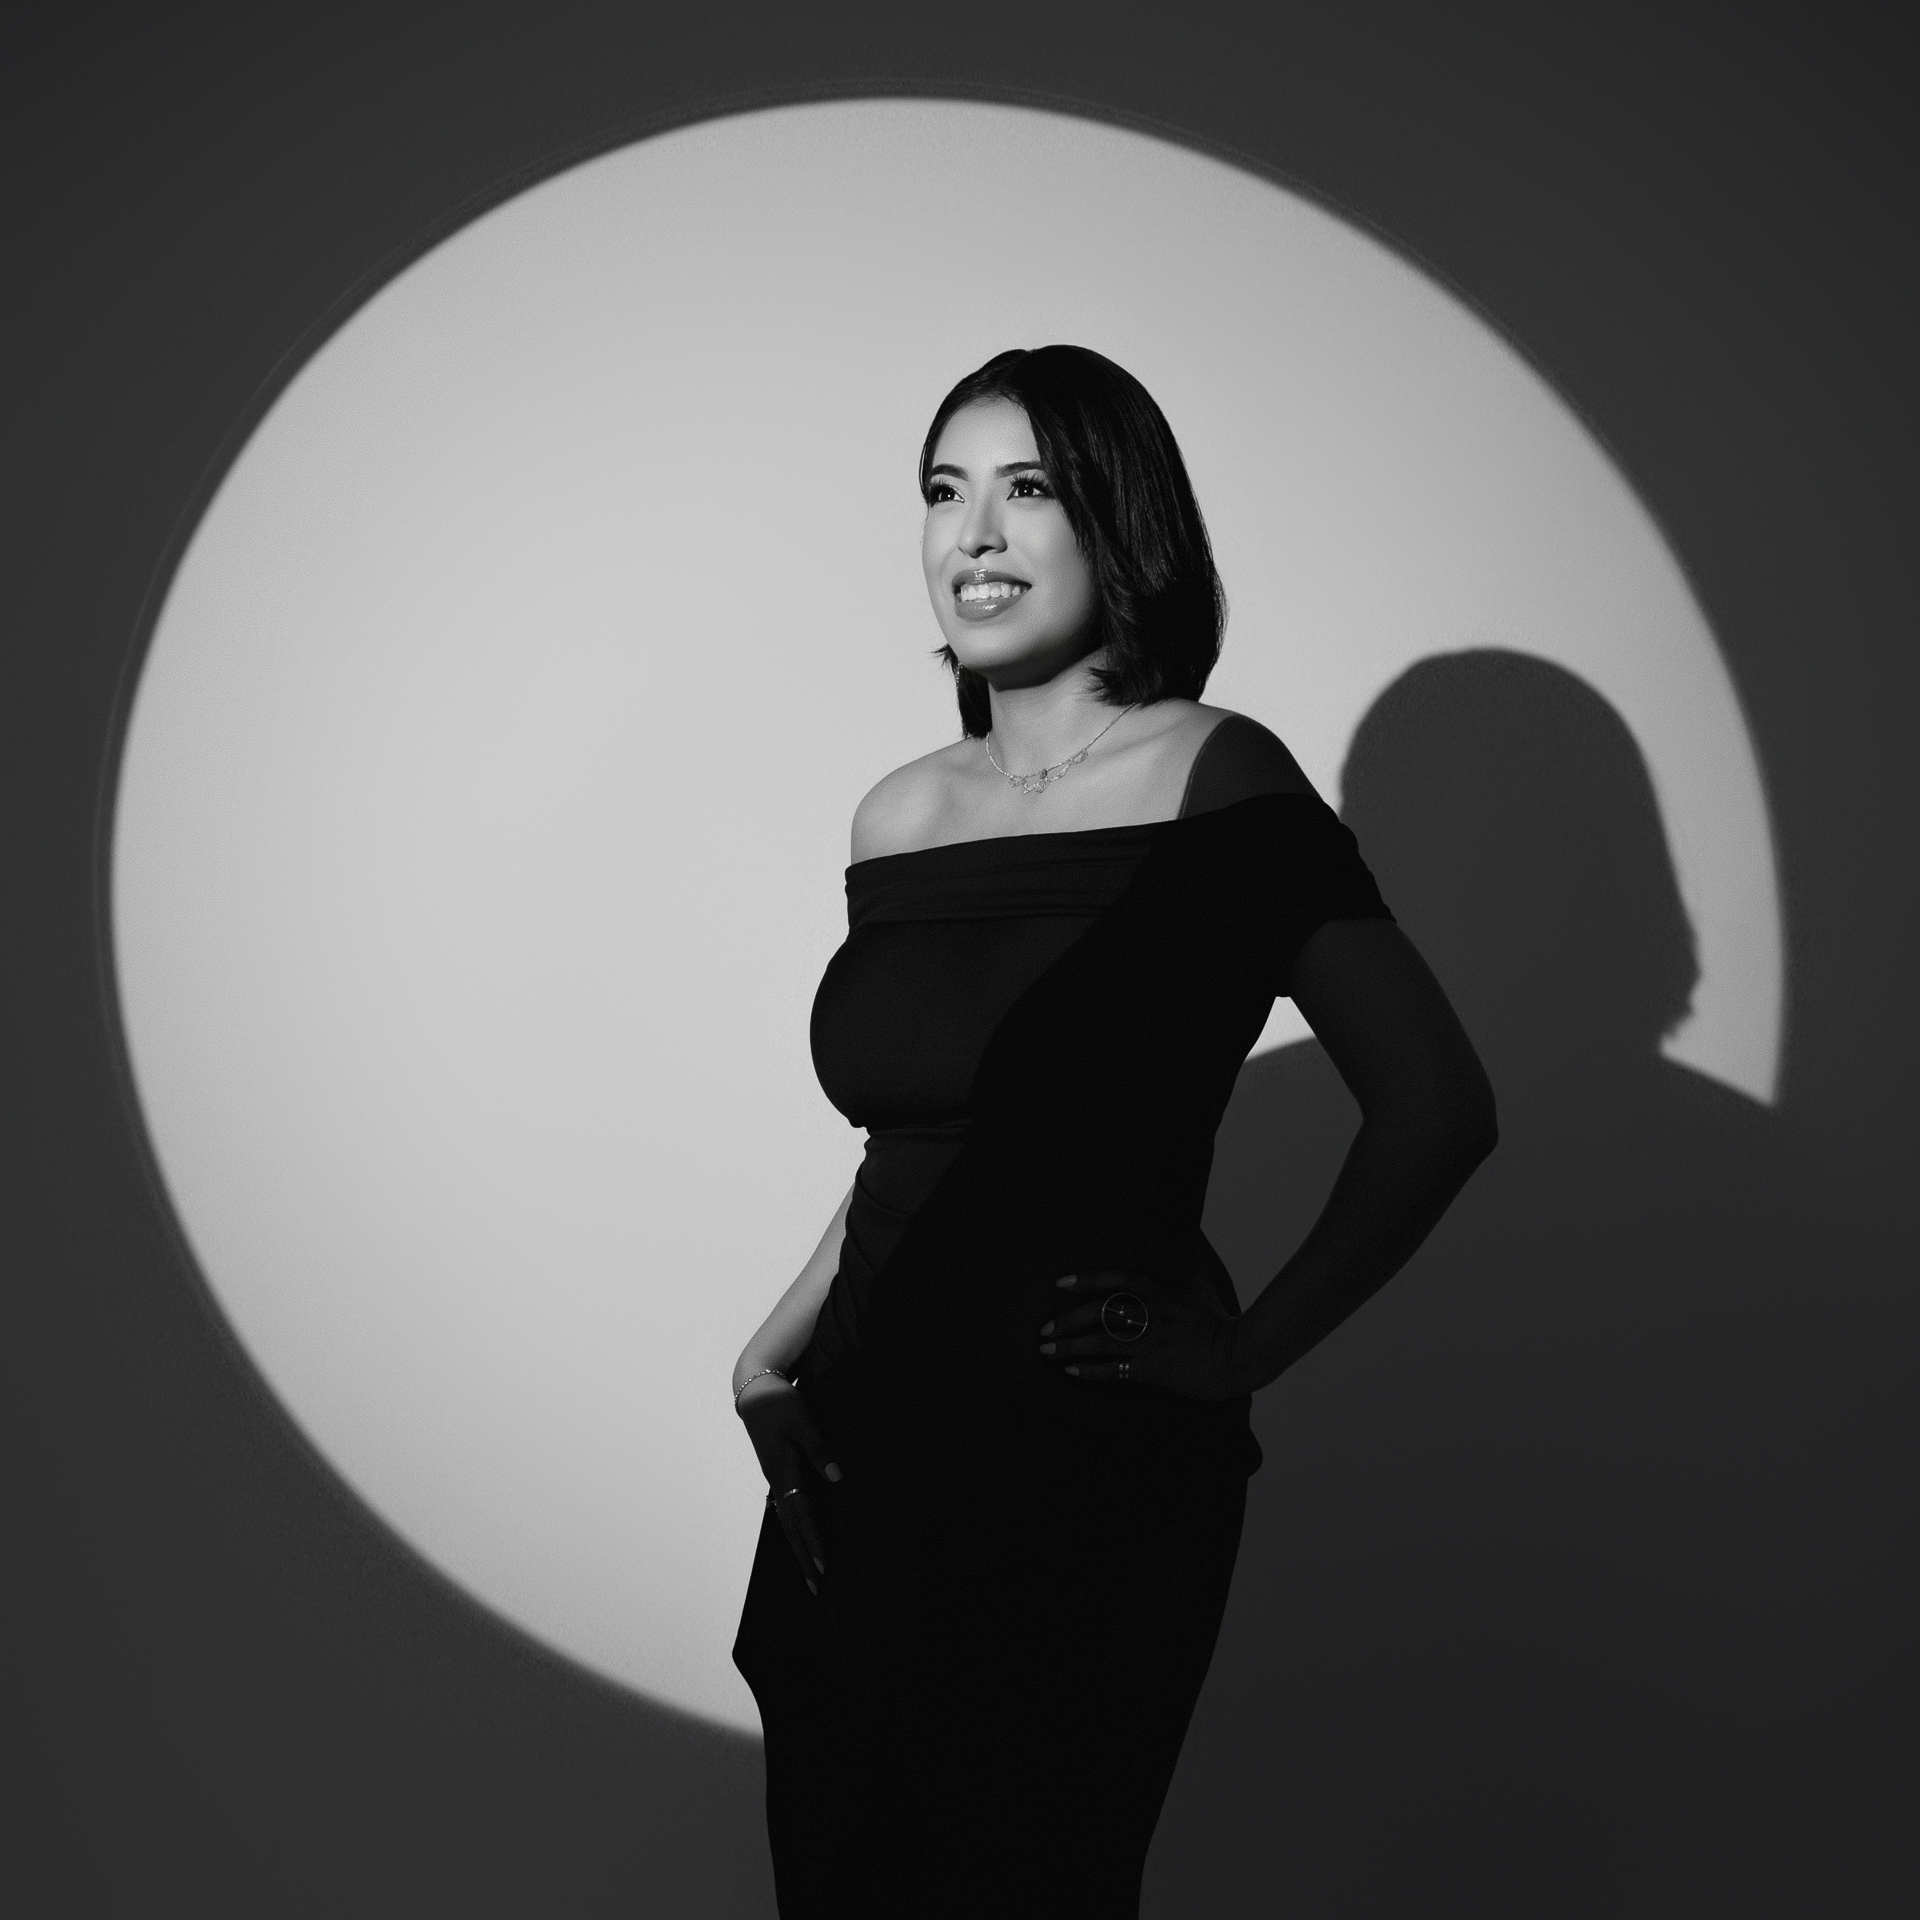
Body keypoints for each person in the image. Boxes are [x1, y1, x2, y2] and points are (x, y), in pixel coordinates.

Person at [730, 345, 1497, 1917]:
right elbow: (928, 1142)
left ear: (1120, 521)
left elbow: (1437, 1107)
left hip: (1079, 1466)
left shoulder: (1219, 777)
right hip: (866, 1448)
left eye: (1029, 489)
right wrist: (770, 1357)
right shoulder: (899, 814)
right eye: (944, 492)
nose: (975, 536)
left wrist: (1245, 1348)